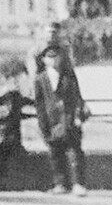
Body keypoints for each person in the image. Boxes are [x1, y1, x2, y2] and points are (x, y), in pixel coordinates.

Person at [34, 44, 90, 195]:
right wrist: (42, 122)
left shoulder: (69, 76)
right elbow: (39, 103)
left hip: (69, 119)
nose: (53, 60)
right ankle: (60, 183)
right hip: (51, 120)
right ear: (44, 60)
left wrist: (78, 115)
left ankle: (78, 183)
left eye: (56, 56)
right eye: (49, 57)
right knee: (55, 153)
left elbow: (77, 97)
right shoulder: (40, 79)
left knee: (74, 152)